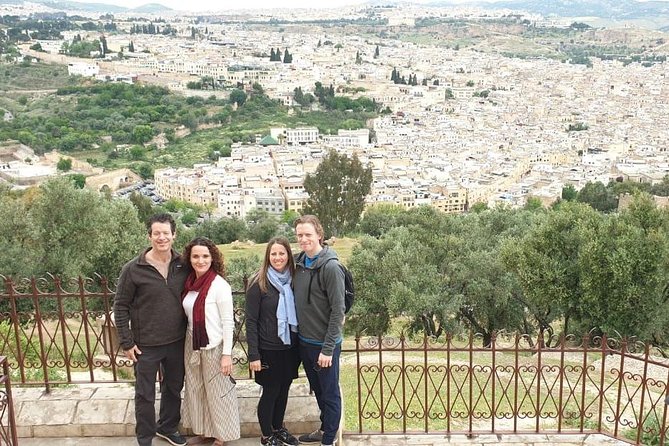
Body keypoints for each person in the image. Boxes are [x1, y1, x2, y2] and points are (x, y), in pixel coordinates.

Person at [114, 213, 189, 446]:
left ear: (174, 235)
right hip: (145, 344)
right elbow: (120, 306)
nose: (161, 237)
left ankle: (167, 427)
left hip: (177, 340)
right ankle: (145, 438)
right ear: (149, 236)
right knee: (144, 395)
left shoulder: (182, 265)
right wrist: (126, 342)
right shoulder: (133, 269)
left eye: (166, 233)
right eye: (156, 233)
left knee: (173, 388)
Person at [180, 237, 240, 446]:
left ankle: (221, 435)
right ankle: (205, 431)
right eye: (196, 256)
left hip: (214, 346)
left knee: (218, 393)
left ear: (212, 258)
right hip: (193, 344)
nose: (200, 260)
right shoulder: (189, 284)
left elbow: (227, 322)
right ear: (189, 258)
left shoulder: (219, 285)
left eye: (205, 256)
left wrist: (226, 354)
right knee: (197, 390)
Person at [292, 215, 345, 446]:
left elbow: (338, 311)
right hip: (305, 342)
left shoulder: (331, 267)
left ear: (319, 236)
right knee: (319, 391)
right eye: (300, 235)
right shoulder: (299, 263)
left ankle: (329, 439)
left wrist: (328, 348)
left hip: (324, 345)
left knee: (330, 393)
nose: (303, 239)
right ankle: (325, 429)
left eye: (308, 235)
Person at [245, 237, 301, 446]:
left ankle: (279, 429)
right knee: (271, 391)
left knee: (284, 389)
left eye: (282, 253)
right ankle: (267, 435)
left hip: (289, 347)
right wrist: (254, 354)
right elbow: (251, 321)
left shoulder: (293, 280)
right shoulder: (258, 282)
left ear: (288, 255)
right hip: (267, 348)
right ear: (268, 256)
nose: (278, 258)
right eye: (273, 254)